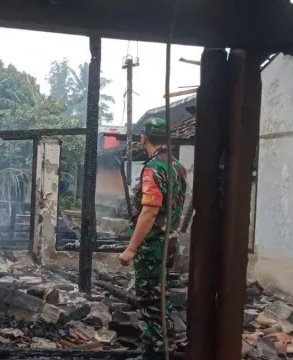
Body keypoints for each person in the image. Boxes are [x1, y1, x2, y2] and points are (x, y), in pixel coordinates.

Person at [119, 118, 187, 360]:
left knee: (150, 301)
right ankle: (159, 349)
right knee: (159, 296)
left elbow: (149, 210)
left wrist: (131, 248)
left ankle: (157, 353)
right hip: (169, 243)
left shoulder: (152, 169)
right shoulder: (177, 166)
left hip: (153, 246)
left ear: (143, 138)